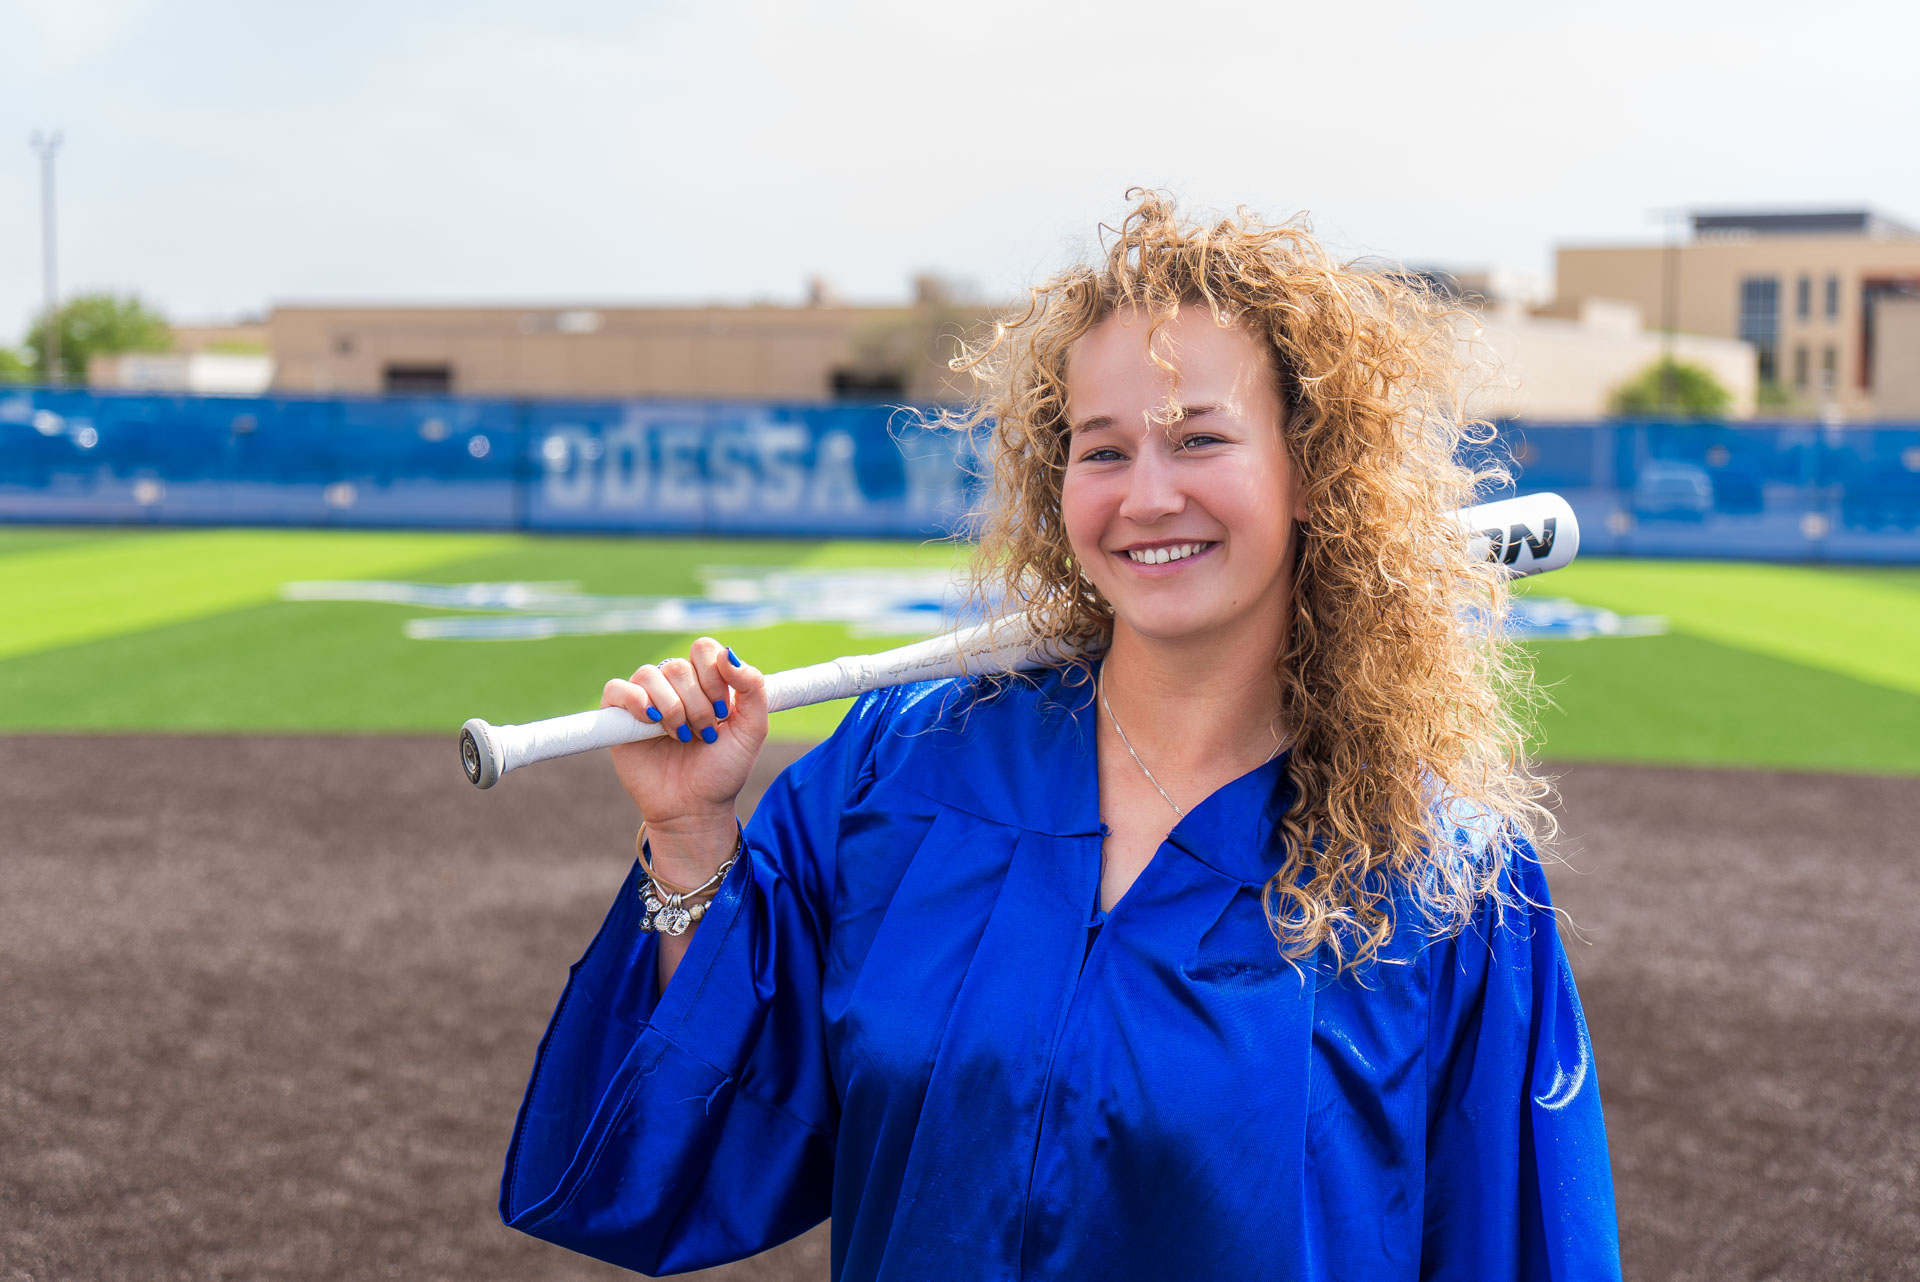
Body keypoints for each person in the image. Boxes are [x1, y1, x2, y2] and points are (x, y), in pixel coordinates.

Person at [499, 192, 1621, 1280]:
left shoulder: (1441, 884)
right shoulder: (899, 778)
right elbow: (691, 1141)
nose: (1146, 495)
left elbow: (1514, 1247)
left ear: (1314, 472)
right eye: (1102, 448)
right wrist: (690, 835)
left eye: (1199, 439)